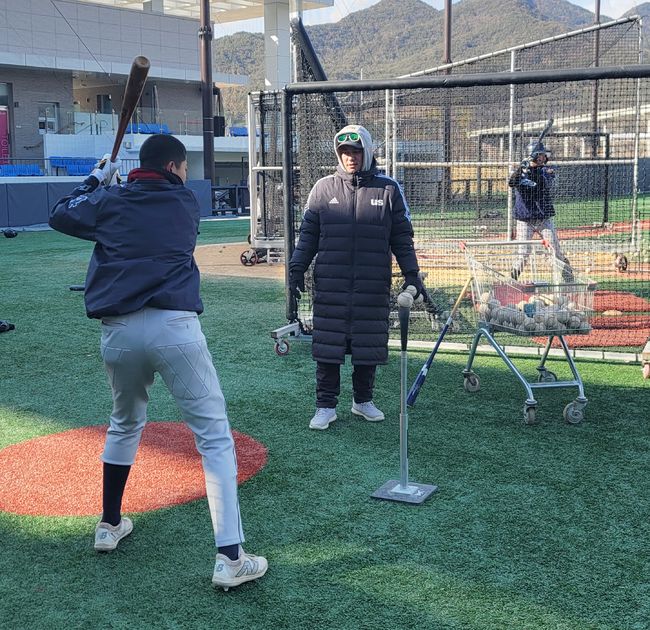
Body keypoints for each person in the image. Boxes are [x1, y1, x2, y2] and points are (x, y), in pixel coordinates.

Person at [49, 135, 267, 591]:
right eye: (184, 167)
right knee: (212, 435)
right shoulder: (184, 202)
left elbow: (61, 213)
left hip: (119, 331)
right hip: (175, 328)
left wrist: (96, 178)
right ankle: (230, 557)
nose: (186, 174)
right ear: (172, 167)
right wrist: (108, 187)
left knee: (124, 424)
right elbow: (139, 201)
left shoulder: (111, 200)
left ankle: (108, 525)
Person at [289, 124, 427, 431]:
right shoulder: (323, 189)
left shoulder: (389, 189)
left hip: (372, 284)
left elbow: (402, 237)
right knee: (328, 348)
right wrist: (297, 267)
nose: (350, 157)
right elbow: (308, 235)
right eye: (345, 152)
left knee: (367, 346)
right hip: (331, 284)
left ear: (367, 151)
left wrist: (412, 275)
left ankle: (362, 401)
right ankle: (325, 406)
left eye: (356, 151)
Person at [508, 141, 573, 281]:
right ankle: (512, 280)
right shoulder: (522, 171)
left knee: (555, 250)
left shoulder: (547, 170)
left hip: (544, 217)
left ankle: (566, 269)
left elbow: (541, 183)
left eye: (544, 155)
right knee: (523, 254)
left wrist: (529, 172)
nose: (544, 158)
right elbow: (512, 183)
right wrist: (521, 170)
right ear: (534, 156)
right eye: (541, 155)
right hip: (524, 219)